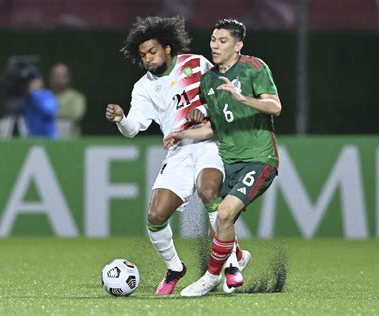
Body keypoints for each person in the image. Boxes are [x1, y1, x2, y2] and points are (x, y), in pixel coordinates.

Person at [105, 16, 248, 296]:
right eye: (143, 54)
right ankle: (175, 268)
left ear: (168, 48)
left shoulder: (195, 64)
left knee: (208, 192)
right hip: (178, 151)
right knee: (156, 216)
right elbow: (134, 128)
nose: (147, 58)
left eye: (152, 51)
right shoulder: (143, 88)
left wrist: (204, 112)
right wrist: (121, 119)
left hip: (209, 141)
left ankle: (231, 264)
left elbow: (221, 96)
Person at [163, 18, 282, 297]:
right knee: (217, 226)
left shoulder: (255, 68)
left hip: (259, 158)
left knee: (225, 214)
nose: (215, 46)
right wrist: (183, 135)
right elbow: (216, 127)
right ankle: (236, 261)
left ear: (238, 45)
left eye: (223, 41)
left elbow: (274, 106)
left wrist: (243, 98)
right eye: (213, 40)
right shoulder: (209, 81)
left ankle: (210, 277)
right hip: (229, 160)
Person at [49, 63, 86, 137]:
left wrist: (49, 114)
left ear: (68, 77)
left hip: (71, 141)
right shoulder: (44, 96)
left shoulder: (77, 97)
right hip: (47, 141)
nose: (60, 78)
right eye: (57, 75)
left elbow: (76, 115)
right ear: (51, 78)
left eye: (63, 75)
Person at [22, 72, 58, 138]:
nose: (32, 84)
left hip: (49, 137)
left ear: (41, 82)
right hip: (32, 137)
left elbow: (50, 112)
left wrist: (36, 95)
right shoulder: (27, 100)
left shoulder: (48, 95)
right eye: (31, 82)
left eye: (35, 82)